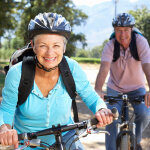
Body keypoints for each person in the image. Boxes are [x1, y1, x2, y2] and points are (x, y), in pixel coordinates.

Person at [0, 12, 113, 150]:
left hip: (66, 136)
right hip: (28, 141)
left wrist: (101, 109)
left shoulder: (72, 68)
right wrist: (4, 129)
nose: (50, 53)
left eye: (56, 46)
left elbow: (92, 97)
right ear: (33, 45)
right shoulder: (17, 73)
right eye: (43, 45)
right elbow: (6, 108)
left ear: (64, 47)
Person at [95, 13, 150, 150]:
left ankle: (136, 141)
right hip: (115, 87)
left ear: (131, 29)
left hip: (137, 87)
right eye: (119, 30)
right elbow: (104, 67)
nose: (122, 34)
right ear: (114, 30)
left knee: (144, 114)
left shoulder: (140, 42)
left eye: (126, 30)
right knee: (110, 118)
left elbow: (147, 66)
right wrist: (97, 89)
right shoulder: (110, 45)